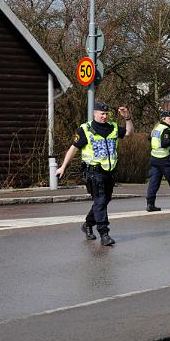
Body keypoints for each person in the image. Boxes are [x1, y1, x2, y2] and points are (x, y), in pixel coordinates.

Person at [56, 102, 133, 246]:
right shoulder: (85, 129)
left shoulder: (113, 127)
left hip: (109, 172)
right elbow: (74, 148)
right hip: (94, 172)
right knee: (101, 200)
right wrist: (63, 167)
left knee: (104, 201)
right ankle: (104, 233)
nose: (104, 116)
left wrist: (127, 118)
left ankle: (87, 225)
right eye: (101, 114)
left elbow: (129, 133)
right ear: (94, 114)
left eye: (106, 114)